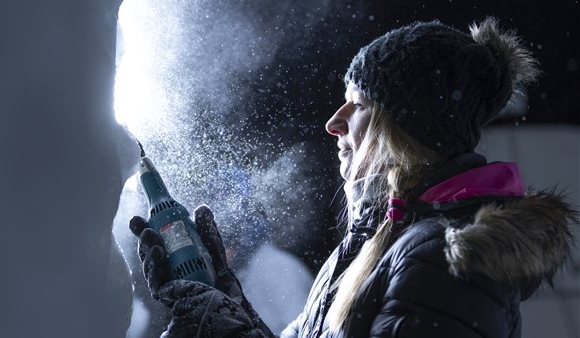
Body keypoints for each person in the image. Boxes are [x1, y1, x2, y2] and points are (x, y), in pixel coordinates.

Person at [129, 17, 577, 338]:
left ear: (405, 127)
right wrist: (224, 304)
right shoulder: (377, 243)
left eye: (357, 104)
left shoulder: (445, 263)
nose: (333, 122)